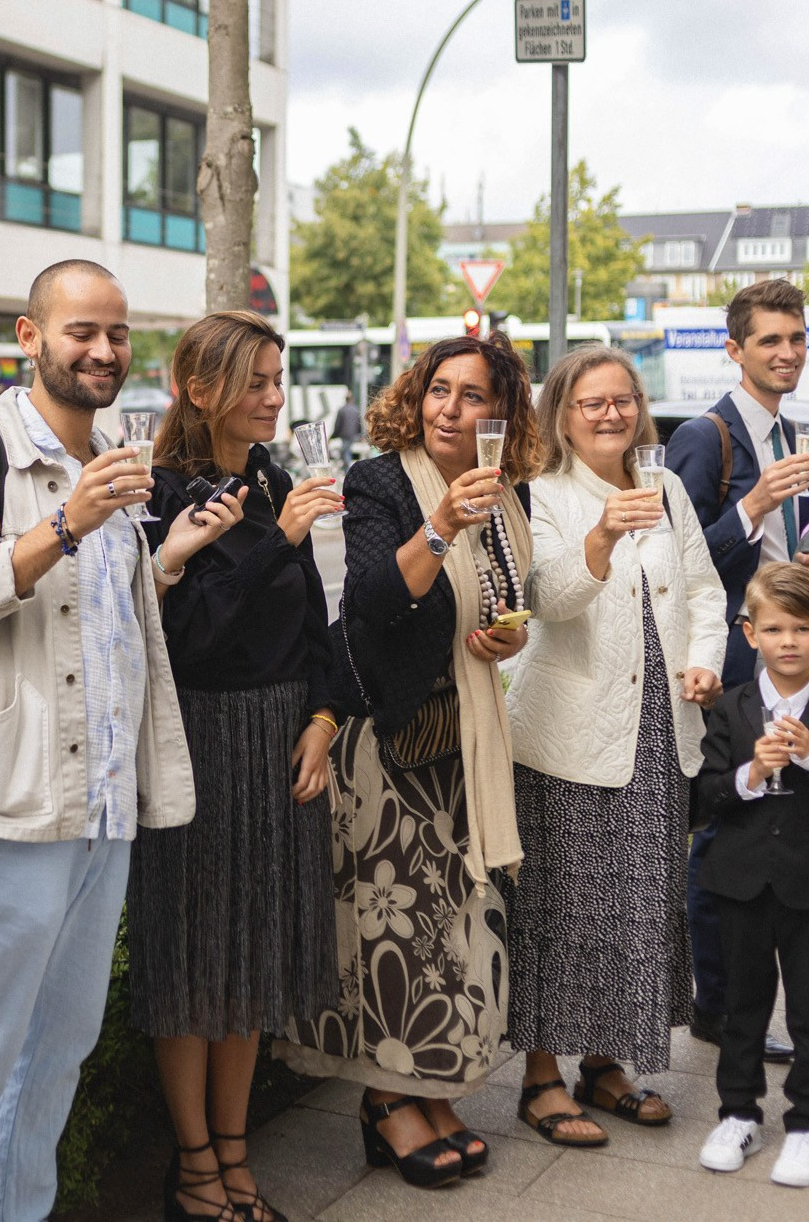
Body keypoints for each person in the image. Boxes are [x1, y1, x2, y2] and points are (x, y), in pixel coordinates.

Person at [0, 259, 206, 1221]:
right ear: (31, 337)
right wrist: (65, 524)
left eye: (116, 335)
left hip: (105, 806)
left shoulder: (114, 458)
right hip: (11, 800)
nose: (103, 351)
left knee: (60, 1048)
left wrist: (162, 563)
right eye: (81, 332)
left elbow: (98, 626)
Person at [277, 335, 537, 1190]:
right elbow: (373, 605)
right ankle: (387, 1099)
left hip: (467, 734)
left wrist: (506, 632)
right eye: (439, 390)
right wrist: (440, 525)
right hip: (392, 739)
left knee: (449, 927)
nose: (450, 409)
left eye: (471, 397)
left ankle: (430, 1082)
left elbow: (505, 599)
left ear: (501, 415)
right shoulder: (382, 481)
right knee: (392, 928)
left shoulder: (508, 490)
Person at [128, 311, 344, 1221]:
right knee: (191, 957)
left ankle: (235, 1150)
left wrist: (326, 719)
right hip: (199, 738)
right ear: (200, 385)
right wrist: (278, 541)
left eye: (278, 377)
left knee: (250, 956)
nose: (273, 395)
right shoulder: (162, 489)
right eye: (256, 379)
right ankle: (194, 1166)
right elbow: (185, 639)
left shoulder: (272, 477)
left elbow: (314, 619)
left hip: (280, 735)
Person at [502, 345, 726, 1143]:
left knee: (636, 903)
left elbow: (704, 589)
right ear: (560, 415)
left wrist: (704, 662)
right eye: (591, 403)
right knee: (559, 905)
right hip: (568, 733)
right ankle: (537, 1077)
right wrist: (599, 537)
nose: (610, 414)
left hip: (661, 728)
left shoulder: (664, 485)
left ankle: (604, 1064)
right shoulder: (542, 494)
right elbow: (545, 599)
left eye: (623, 399)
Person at [665, 278, 809, 1063]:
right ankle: (718, 1004)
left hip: (785, 666)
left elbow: (781, 556)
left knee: (771, 826)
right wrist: (755, 503)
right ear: (735, 350)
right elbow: (675, 557)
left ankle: (746, 999)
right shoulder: (708, 435)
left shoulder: (795, 431)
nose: (786, 352)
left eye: (795, 338)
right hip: (726, 669)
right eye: (770, 340)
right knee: (722, 832)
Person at [694, 563, 809, 1190]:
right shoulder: (733, 709)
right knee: (743, 1006)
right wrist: (749, 773)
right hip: (738, 883)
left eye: (801, 629)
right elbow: (703, 798)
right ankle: (738, 1113)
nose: (788, 641)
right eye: (774, 629)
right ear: (750, 634)